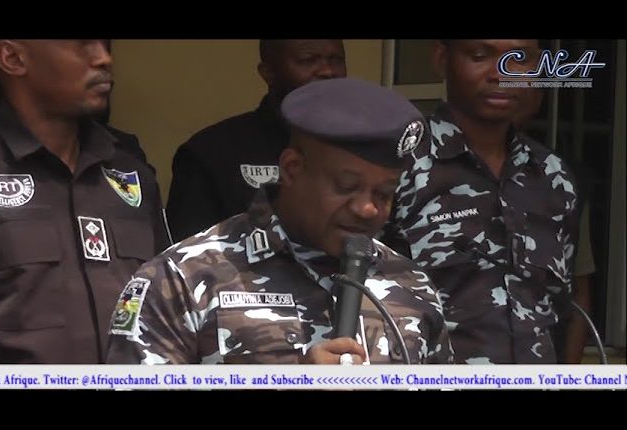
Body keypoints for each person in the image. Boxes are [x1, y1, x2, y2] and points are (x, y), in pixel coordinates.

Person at [107, 77, 453, 365]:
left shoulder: (412, 287)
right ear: (292, 168)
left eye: (384, 193)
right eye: (347, 187)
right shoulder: (184, 279)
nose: (367, 209)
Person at [384, 40, 580, 364]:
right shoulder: (397, 164)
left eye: (519, 59)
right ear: (442, 59)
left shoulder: (553, 176)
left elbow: (563, 309)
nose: (501, 73)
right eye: (479, 55)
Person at [0, 39, 169, 363]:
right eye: (81, 45)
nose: (104, 58)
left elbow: (168, 305)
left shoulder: (131, 169)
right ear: (13, 58)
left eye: (104, 44)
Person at [166, 40, 347, 242]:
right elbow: (189, 254)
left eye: (336, 60)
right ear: (267, 72)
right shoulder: (211, 153)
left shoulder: (363, 149)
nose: (328, 71)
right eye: (308, 60)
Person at [512, 86, 595, 364]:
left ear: (539, 98)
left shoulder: (563, 180)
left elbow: (578, 290)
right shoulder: (420, 171)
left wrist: (567, 376)